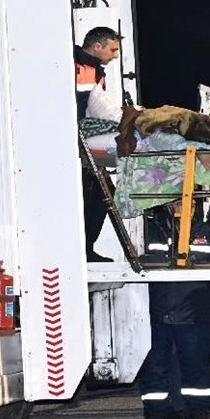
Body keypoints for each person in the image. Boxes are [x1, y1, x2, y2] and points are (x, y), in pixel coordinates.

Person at [137, 205, 210, 419]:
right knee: (155, 365)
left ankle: (199, 413)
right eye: (176, 200)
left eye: (185, 199)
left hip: (194, 309)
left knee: (196, 365)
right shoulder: (150, 229)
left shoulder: (206, 231)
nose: (181, 205)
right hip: (157, 311)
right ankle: (156, 415)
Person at [75, 26, 123, 262]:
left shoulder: (93, 70)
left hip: (81, 145)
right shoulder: (80, 68)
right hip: (73, 145)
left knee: (100, 197)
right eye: (113, 49)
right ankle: (83, 250)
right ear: (97, 46)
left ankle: (86, 249)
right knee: (94, 197)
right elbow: (93, 108)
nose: (115, 55)